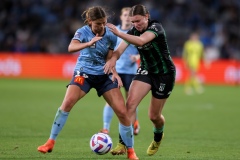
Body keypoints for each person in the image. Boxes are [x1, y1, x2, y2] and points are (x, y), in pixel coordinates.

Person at [37, 6, 138, 160]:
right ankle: (50, 142)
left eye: (103, 23)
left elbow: (109, 59)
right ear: (90, 22)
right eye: (98, 24)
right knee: (67, 103)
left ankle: (131, 152)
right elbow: (71, 47)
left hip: (103, 75)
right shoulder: (83, 32)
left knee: (122, 112)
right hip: (84, 73)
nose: (101, 27)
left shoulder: (110, 34)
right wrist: (88, 43)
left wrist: (115, 73)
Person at [104, 4, 176, 156]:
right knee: (129, 104)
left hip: (164, 74)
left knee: (154, 116)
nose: (136, 24)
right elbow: (120, 50)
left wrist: (119, 33)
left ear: (147, 16)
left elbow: (141, 41)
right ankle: (122, 144)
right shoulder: (133, 30)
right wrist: (113, 59)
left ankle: (158, 137)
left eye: (138, 21)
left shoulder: (156, 27)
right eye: (133, 22)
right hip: (146, 71)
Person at [100, 7, 140, 136]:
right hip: (116, 70)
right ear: (121, 17)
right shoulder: (114, 31)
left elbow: (143, 50)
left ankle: (134, 124)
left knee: (131, 101)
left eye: (130, 15)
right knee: (111, 100)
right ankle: (105, 128)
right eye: (125, 15)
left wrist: (137, 57)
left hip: (131, 71)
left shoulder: (135, 32)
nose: (127, 17)